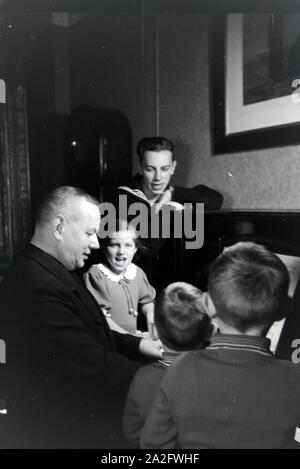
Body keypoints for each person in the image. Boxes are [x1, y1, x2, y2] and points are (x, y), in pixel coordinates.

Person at [0, 186, 162, 449]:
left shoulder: (52, 268)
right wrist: (162, 378)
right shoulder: (32, 283)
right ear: (59, 227)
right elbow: (92, 363)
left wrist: (139, 345)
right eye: (89, 233)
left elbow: (91, 330)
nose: (96, 244)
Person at [141, 242, 300, 449]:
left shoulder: (181, 368)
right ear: (285, 309)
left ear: (207, 304)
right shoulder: (293, 378)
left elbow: (153, 444)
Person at [123, 282, 213, 446]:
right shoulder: (214, 373)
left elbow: (131, 430)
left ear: (153, 329)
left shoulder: (144, 376)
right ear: (210, 332)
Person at [84, 220, 156, 336]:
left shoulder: (137, 273)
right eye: (114, 245)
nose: (121, 251)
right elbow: (100, 317)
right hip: (110, 339)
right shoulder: (96, 275)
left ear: (135, 249)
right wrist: (129, 337)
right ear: (104, 248)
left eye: (128, 245)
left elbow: (147, 301)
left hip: (133, 338)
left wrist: (151, 319)